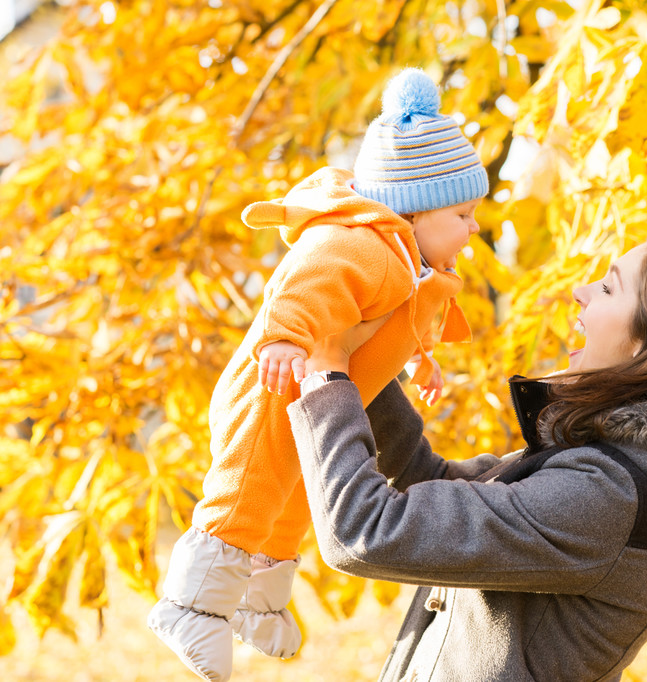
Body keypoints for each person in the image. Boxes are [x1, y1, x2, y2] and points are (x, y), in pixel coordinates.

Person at [287, 234, 647, 681]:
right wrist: (362, 361)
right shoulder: (615, 464)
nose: (580, 291)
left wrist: (327, 378)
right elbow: (431, 483)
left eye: (609, 287)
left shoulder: (609, 498)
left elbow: (364, 529)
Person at [148, 68, 488, 682]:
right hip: (271, 389)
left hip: (313, 400)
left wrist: (421, 359)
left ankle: (260, 601)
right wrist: (281, 338)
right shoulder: (359, 247)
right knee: (246, 497)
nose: (474, 228)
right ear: (416, 210)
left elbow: (400, 319)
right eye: (463, 213)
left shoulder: (405, 262)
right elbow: (305, 282)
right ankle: (190, 606)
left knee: (295, 504)